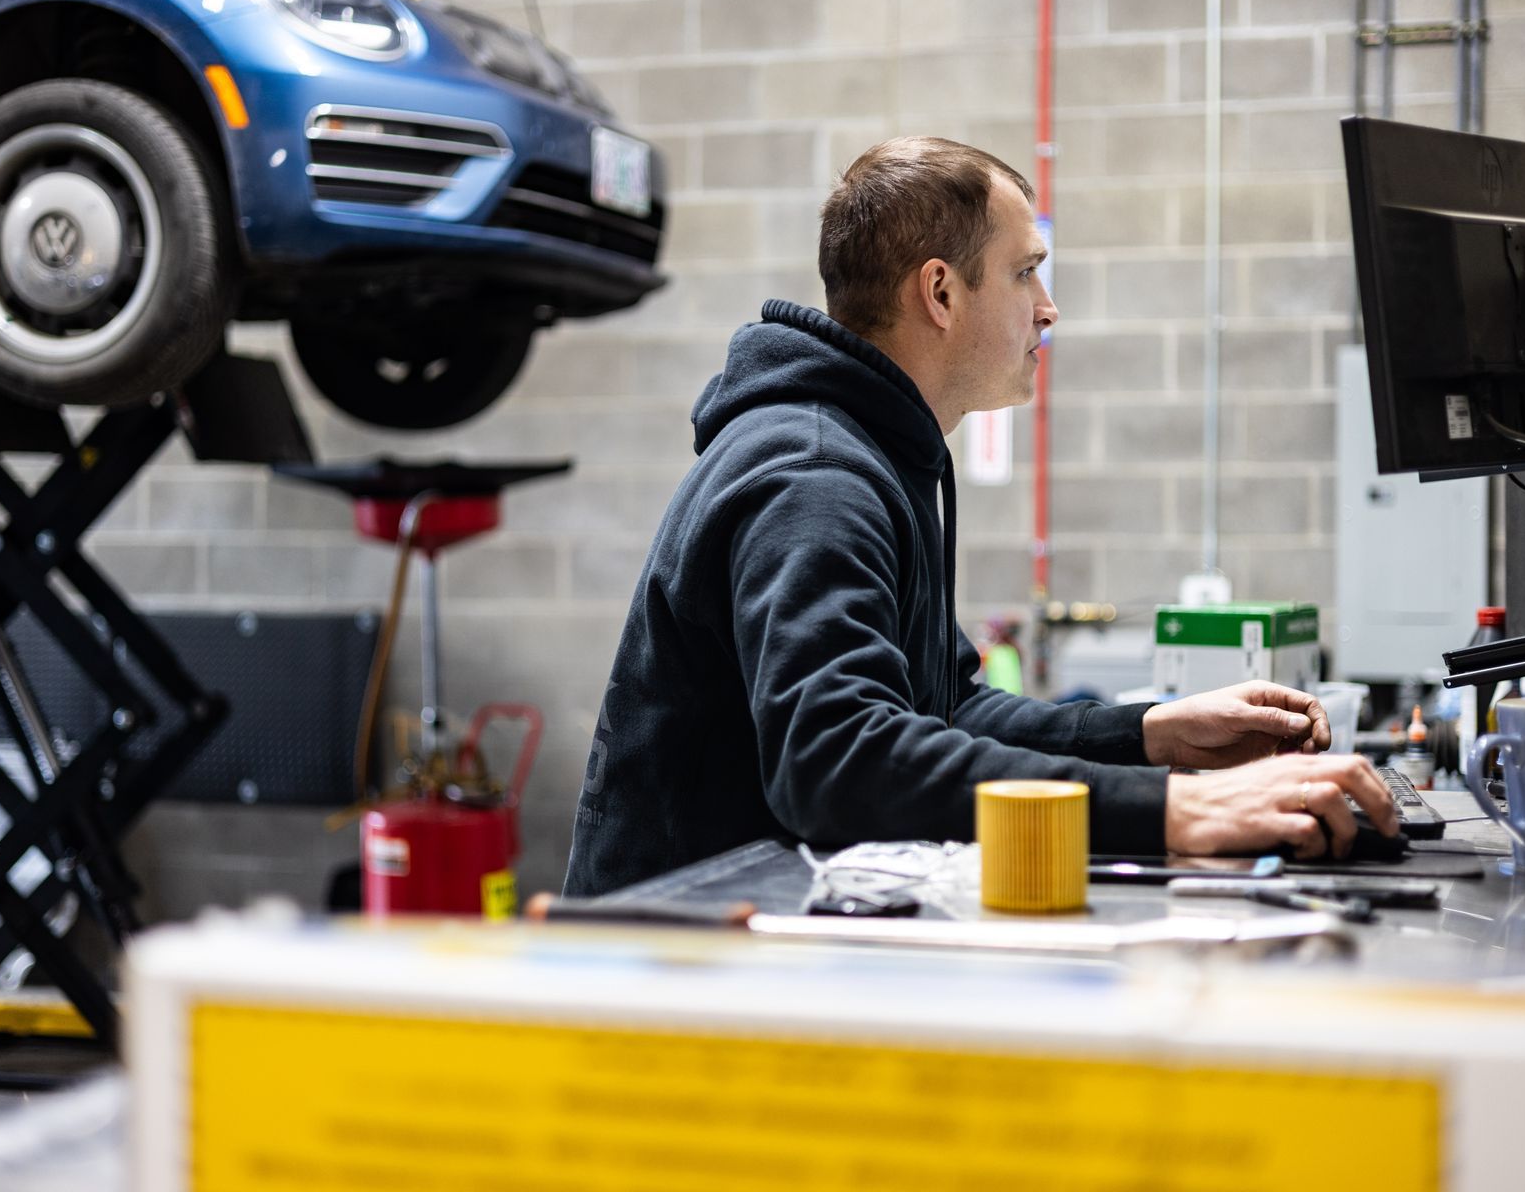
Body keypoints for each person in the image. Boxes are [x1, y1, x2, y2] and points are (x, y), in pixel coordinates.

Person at [563, 137, 1396, 897]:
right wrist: (1179, 812)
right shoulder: (814, 476)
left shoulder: (874, 451)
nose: (1047, 306)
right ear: (940, 292)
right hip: (679, 967)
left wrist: (1149, 736)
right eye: (1025, 271)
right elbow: (836, 761)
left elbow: (943, 711)